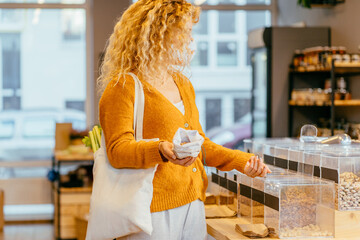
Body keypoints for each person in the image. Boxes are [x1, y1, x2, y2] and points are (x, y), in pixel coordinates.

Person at [98, 0, 271, 239]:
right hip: (149, 211)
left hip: (192, 203)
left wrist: (244, 161)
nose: (189, 39)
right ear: (161, 31)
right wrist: (159, 149)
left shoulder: (182, 83)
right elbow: (117, 150)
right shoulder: (123, 86)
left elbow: (200, 145)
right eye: (185, 31)